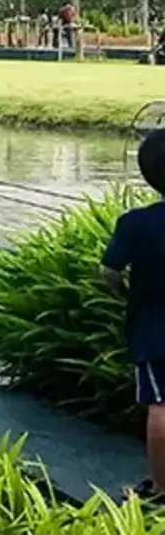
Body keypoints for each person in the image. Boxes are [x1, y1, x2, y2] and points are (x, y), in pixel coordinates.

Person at [102, 128, 165, 504]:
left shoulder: (135, 223)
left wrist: (125, 295)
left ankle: (160, 489)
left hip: (154, 329)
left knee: (160, 405)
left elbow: (109, 271)